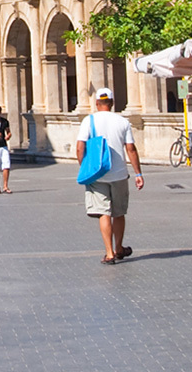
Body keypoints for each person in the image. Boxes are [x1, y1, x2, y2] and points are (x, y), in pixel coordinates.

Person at [76, 88, 143, 265]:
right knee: (118, 213)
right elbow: (131, 149)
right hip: (119, 173)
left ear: (97, 103)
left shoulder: (88, 121)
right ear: (112, 103)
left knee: (103, 213)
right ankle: (119, 247)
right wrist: (138, 173)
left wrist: (85, 168)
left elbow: (80, 147)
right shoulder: (122, 121)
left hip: (98, 174)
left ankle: (109, 253)